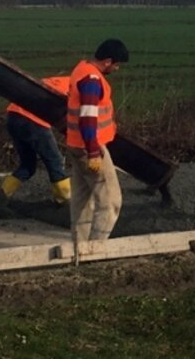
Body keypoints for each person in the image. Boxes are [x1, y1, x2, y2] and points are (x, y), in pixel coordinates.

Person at [66, 39, 128, 246]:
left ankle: (79, 249)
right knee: (111, 202)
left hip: (75, 144)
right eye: (117, 64)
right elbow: (88, 117)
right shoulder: (92, 79)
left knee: (82, 202)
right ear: (108, 61)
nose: (117, 69)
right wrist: (93, 152)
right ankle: (96, 248)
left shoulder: (81, 69)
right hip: (89, 148)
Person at [0, 75, 71, 212]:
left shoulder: (60, 81)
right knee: (55, 161)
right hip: (34, 122)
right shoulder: (79, 88)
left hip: (13, 116)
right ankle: (65, 204)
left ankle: (0, 201)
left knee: (28, 165)